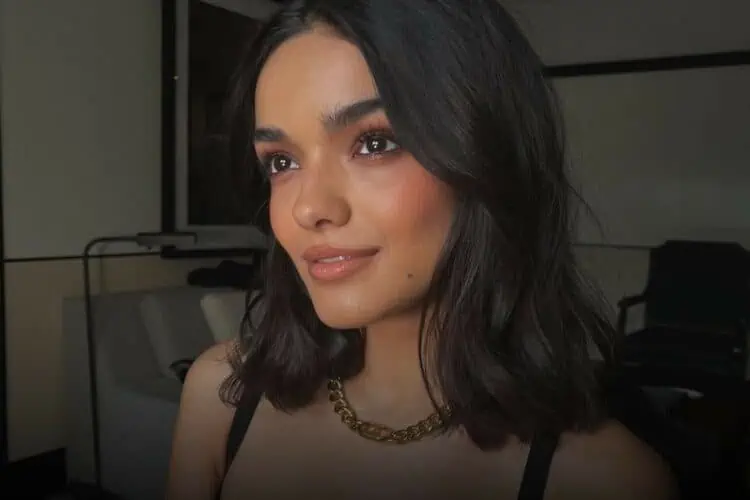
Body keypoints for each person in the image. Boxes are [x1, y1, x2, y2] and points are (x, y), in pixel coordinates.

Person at [167, 0, 678, 498]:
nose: (308, 208)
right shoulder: (222, 398)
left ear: (486, 156)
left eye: (374, 143)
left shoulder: (606, 480)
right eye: (281, 161)